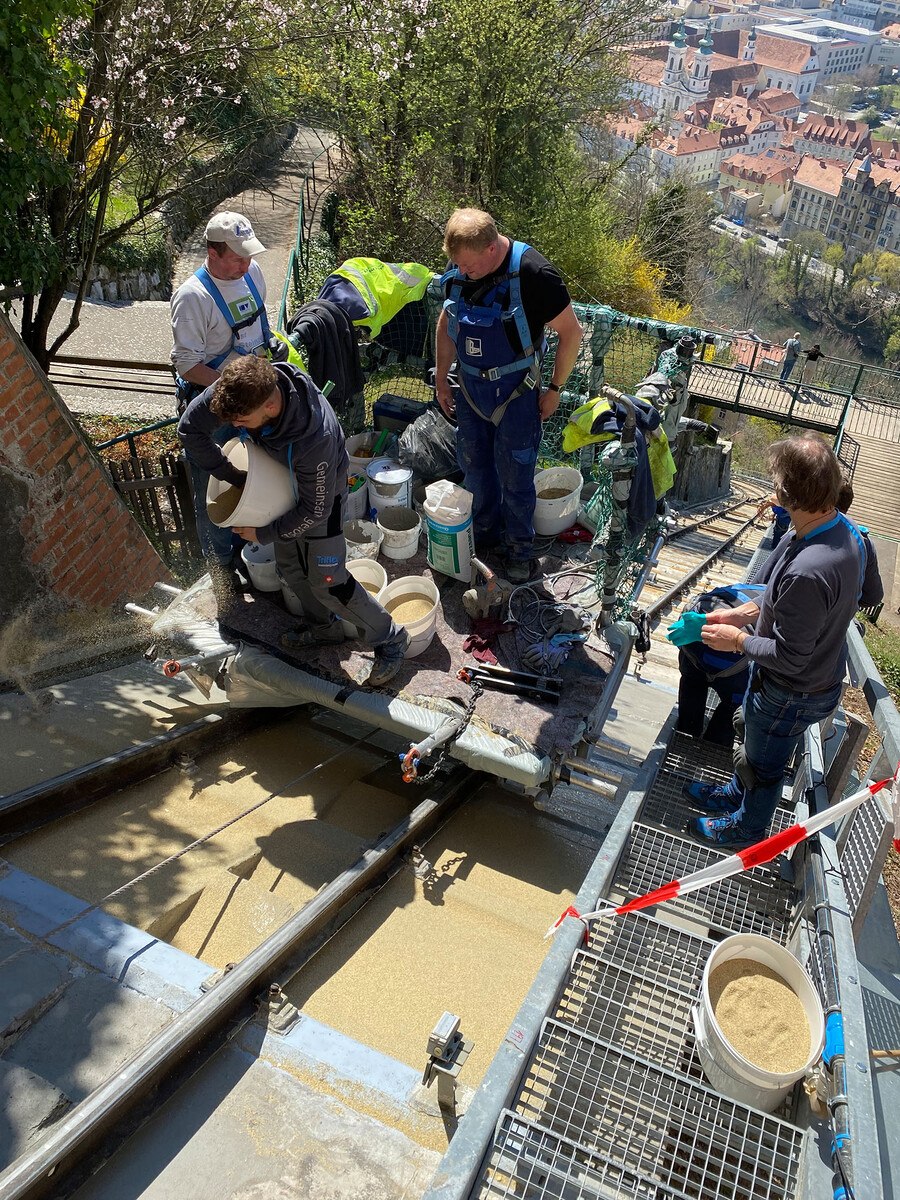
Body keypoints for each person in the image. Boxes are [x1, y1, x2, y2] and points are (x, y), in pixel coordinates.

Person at [684, 434, 883, 849]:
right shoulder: (837, 529)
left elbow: (790, 657)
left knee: (765, 767)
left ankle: (748, 828)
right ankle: (736, 797)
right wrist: (741, 614)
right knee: (754, 749)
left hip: (789, 691)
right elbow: (786, 602)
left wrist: (737, 640)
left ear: (787, 493)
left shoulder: (810, 570)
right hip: (807, 682)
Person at [178, 356, 411, 688]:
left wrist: (263, 532)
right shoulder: (243, 385)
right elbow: (189, 428)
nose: (238, 427)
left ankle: (390, 639)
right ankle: (325, 630)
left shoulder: (314, 438)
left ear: (271, 407)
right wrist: (231, 475)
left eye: (243, 421)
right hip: (277, 484)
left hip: (322, 497)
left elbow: (313, 512)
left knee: (328, 581)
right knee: (290, 568)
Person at [434, 208, 583, 583]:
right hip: (469, 391)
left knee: (516, 476)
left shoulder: (533, 274)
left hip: (518, 394)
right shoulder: (461, 269)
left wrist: (554, 389)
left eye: (468, 265)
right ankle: (485, 534)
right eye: (456, 265)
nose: (462, 272)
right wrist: (441, 379)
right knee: (475, 468)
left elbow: (572, 333)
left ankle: (519, 548)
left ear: (490, 249)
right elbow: (446, 322)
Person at [170, 211, 274, 580]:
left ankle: (252, 546)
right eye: (237, 257)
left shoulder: (252, 274)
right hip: (215, 410)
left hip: (254, 399)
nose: (247, 265)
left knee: (257, 474)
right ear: (213, 253)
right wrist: (235, 394)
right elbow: (187, 365)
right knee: (215, 490)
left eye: (249, 256)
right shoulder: (193, 298)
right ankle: (221, 567)